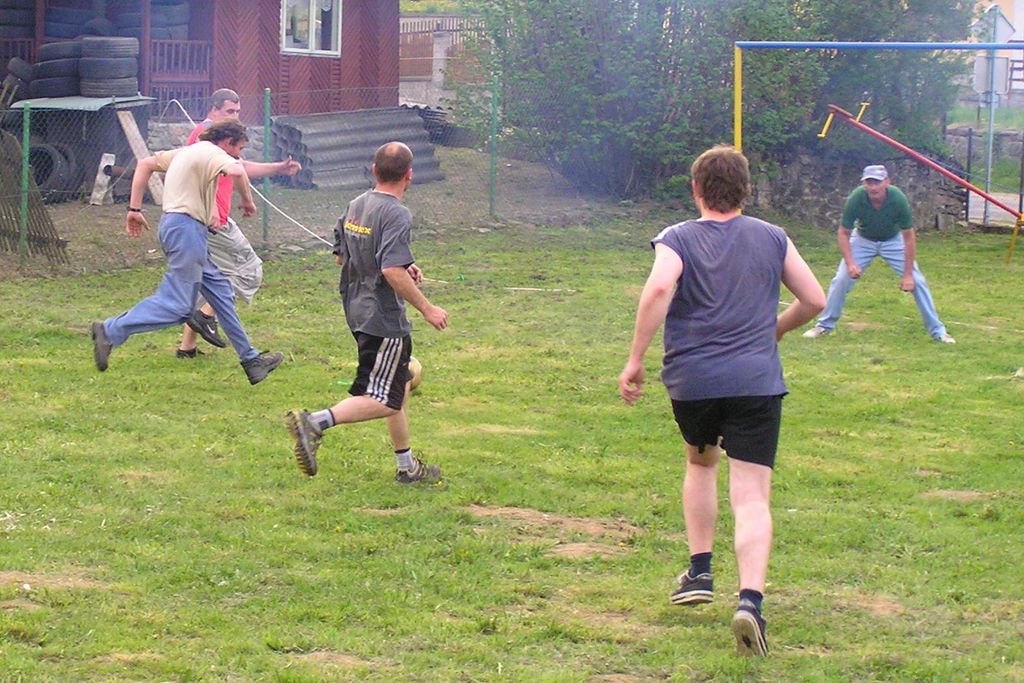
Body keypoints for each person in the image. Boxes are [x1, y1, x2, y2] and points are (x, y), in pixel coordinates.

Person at [618, 145, 825, 657]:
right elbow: (815, 300)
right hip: (756, 382)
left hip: (694, 382)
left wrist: (636, 359)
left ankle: (700, 570)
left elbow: (658, 289)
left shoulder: (677, 237)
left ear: (696, 189)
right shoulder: (773, 237)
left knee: (701, 463)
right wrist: (775, 330)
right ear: (745, 189)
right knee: (751, 494)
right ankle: (750, 601)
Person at [285, 141, 448, 483]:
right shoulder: (397, 213)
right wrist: (427, 308)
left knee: (398, 387)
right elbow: (390, 270)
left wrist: (404, 263)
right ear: (409, 175)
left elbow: (342, 257)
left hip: (356, 307)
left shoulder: (358, 204)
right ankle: (315, 422)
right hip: (383, 317)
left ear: (374, 170)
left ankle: (407, 468)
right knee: (384, 399)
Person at [91, 118, 284, 385]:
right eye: (239, 148)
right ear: (227, 142)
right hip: (186, 230)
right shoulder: (215, 152)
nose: (238, 155)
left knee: (222, 293)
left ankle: (251, 360)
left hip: (182, 227)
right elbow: (238, 172)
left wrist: (134, 209)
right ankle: (110, 330)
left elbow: (145, 164)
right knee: (180, 306)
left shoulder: (188, 151)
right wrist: (247, 201)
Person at [176, 88, 301, 357]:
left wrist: (278, 167)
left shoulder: (217, 138)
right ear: (213, 110)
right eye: (229, 111)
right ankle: (204, 316)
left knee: (209, 278)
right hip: (211, 220)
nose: (234, 117)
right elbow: (201, 178)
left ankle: (187, 346)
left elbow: (239, 168)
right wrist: (216, 209)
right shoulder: (206, 136)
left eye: (237, 112)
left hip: (204, 219)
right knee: (248, 269)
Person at [802, 164, 955, 343]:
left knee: (918, 281)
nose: (873, 187)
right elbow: (843, 232)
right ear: (864, 184)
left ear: (887, 182)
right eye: (869, 183)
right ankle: (824, 325)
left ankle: (938, 331)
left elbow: (908, 236)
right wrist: (851, 263)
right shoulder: (857, 197)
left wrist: (907, 276)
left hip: (893, 240)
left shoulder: (898, 198)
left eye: (877, 182)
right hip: (863, 239)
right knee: (841, 279)